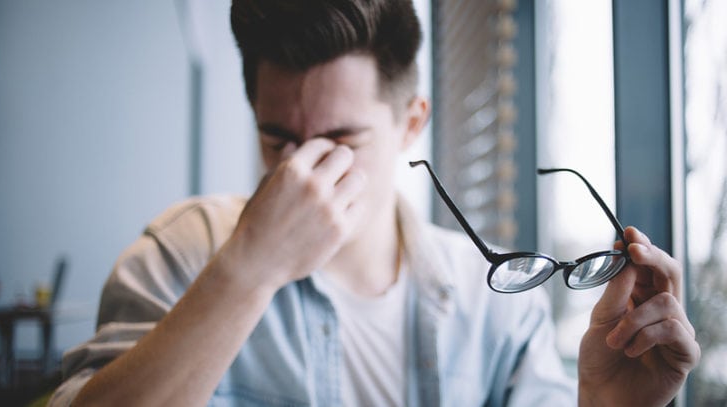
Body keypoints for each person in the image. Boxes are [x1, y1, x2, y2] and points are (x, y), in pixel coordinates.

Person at [49, 1, 700, 405]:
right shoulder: (180, 254)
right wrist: (246, 271)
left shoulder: (493, 306)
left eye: (340, 139)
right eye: (279, 140)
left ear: (412, 123)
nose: (304, 173)